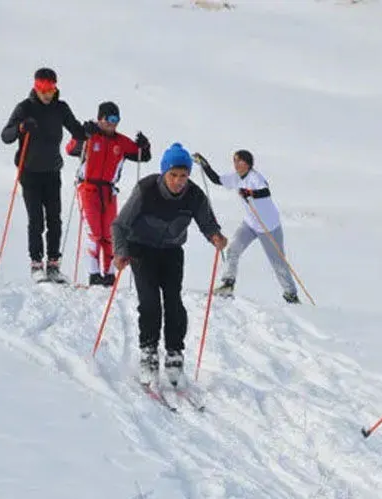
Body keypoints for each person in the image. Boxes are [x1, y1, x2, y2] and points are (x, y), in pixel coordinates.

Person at [111, 143, 228, 388]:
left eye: (183, 175)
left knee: (174, 302)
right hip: (140, 249)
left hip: (172, 250)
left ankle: (174, 353)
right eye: (173, 175)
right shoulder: (146, 189)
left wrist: (215, 236)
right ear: (164, 172)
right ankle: (148, 353)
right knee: (150, 302)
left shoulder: (194, 195)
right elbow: (119, 225)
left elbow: (207, 222)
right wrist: (121, 252)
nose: (178, 181)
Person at [0, 67, 87, 283]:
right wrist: (21, 127)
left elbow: (77, 130)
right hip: (29, 172)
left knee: (54, 219)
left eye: (50, 88)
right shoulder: (25, 108)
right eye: (42, 88)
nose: (47, 93)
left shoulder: (60, 108)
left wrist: (88, 130)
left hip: (51, 171)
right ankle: (36, 263)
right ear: (36, 87)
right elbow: (6, 135)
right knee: (36, 219)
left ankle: (54, 265)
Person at [192, 150, 300, 303]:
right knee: (233, 249)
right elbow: (216, 180)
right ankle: (228, 283)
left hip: (268, 226)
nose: (236, 164)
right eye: (234, 161)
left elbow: (265, 191)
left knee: (277, 262)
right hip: (250, 224)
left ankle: (291, 294)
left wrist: (249, 193)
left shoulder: (255, 178)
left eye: (239, 161)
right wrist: (205, 165)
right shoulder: (236, 178)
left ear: (248, 164)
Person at [65, 101, 152, 287]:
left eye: (116, 119)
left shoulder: (120, 141)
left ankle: (109, 274)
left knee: (110, 233)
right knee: (94, 232)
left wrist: (145, 146)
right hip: (88, 187)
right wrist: (81, 135)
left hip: (109, 191)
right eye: (110, 119)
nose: (113, 123)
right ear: (100, 119)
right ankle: (94, 274)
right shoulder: (90, 136)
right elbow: (70, 149)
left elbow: (142, 156)